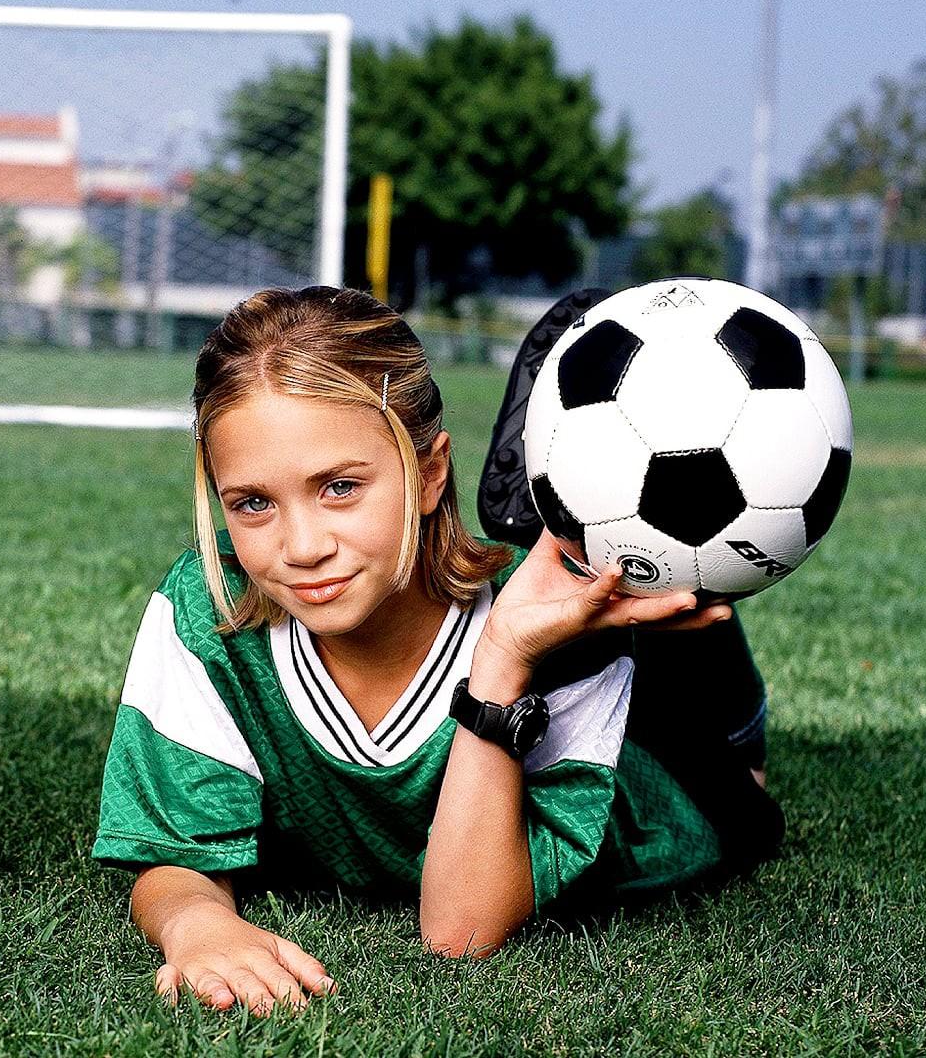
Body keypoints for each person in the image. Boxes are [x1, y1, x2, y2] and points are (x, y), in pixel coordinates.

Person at [93, 286, 780, 1012]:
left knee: (729, 769)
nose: (301, 547)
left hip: (673, 785)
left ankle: (653, 567)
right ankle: (572, 528)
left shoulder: (546, 630)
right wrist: (197, 925)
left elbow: (462, 931)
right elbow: (173, 853)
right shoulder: (208, 607)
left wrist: (505, 654)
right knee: (584, 590)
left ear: (428, 473)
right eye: (253, 503)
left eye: (340, 488)